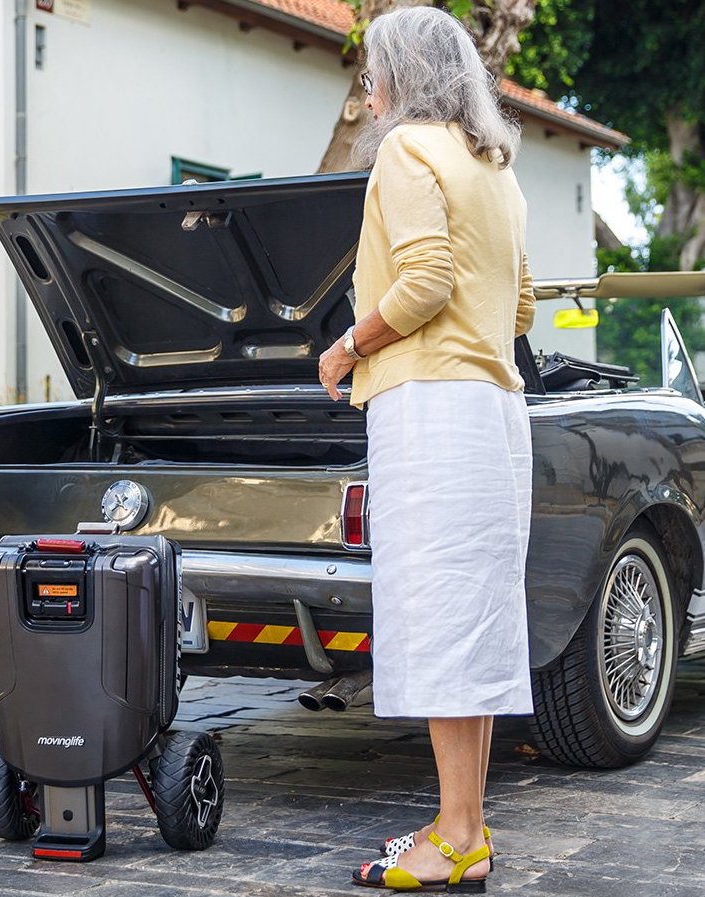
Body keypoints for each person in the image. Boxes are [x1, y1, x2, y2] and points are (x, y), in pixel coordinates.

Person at [316, 7, 535, 892]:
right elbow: (517, 311)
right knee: (474, 626)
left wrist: (346, 344)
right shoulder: (497, 168)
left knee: (442, 624)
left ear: (396, 78)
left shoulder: (407, 152)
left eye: (371, 74)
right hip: (493, 409)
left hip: (430, 409)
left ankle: (451, 834)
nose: (366, 91)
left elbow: (425, 279)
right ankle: (465, 828)